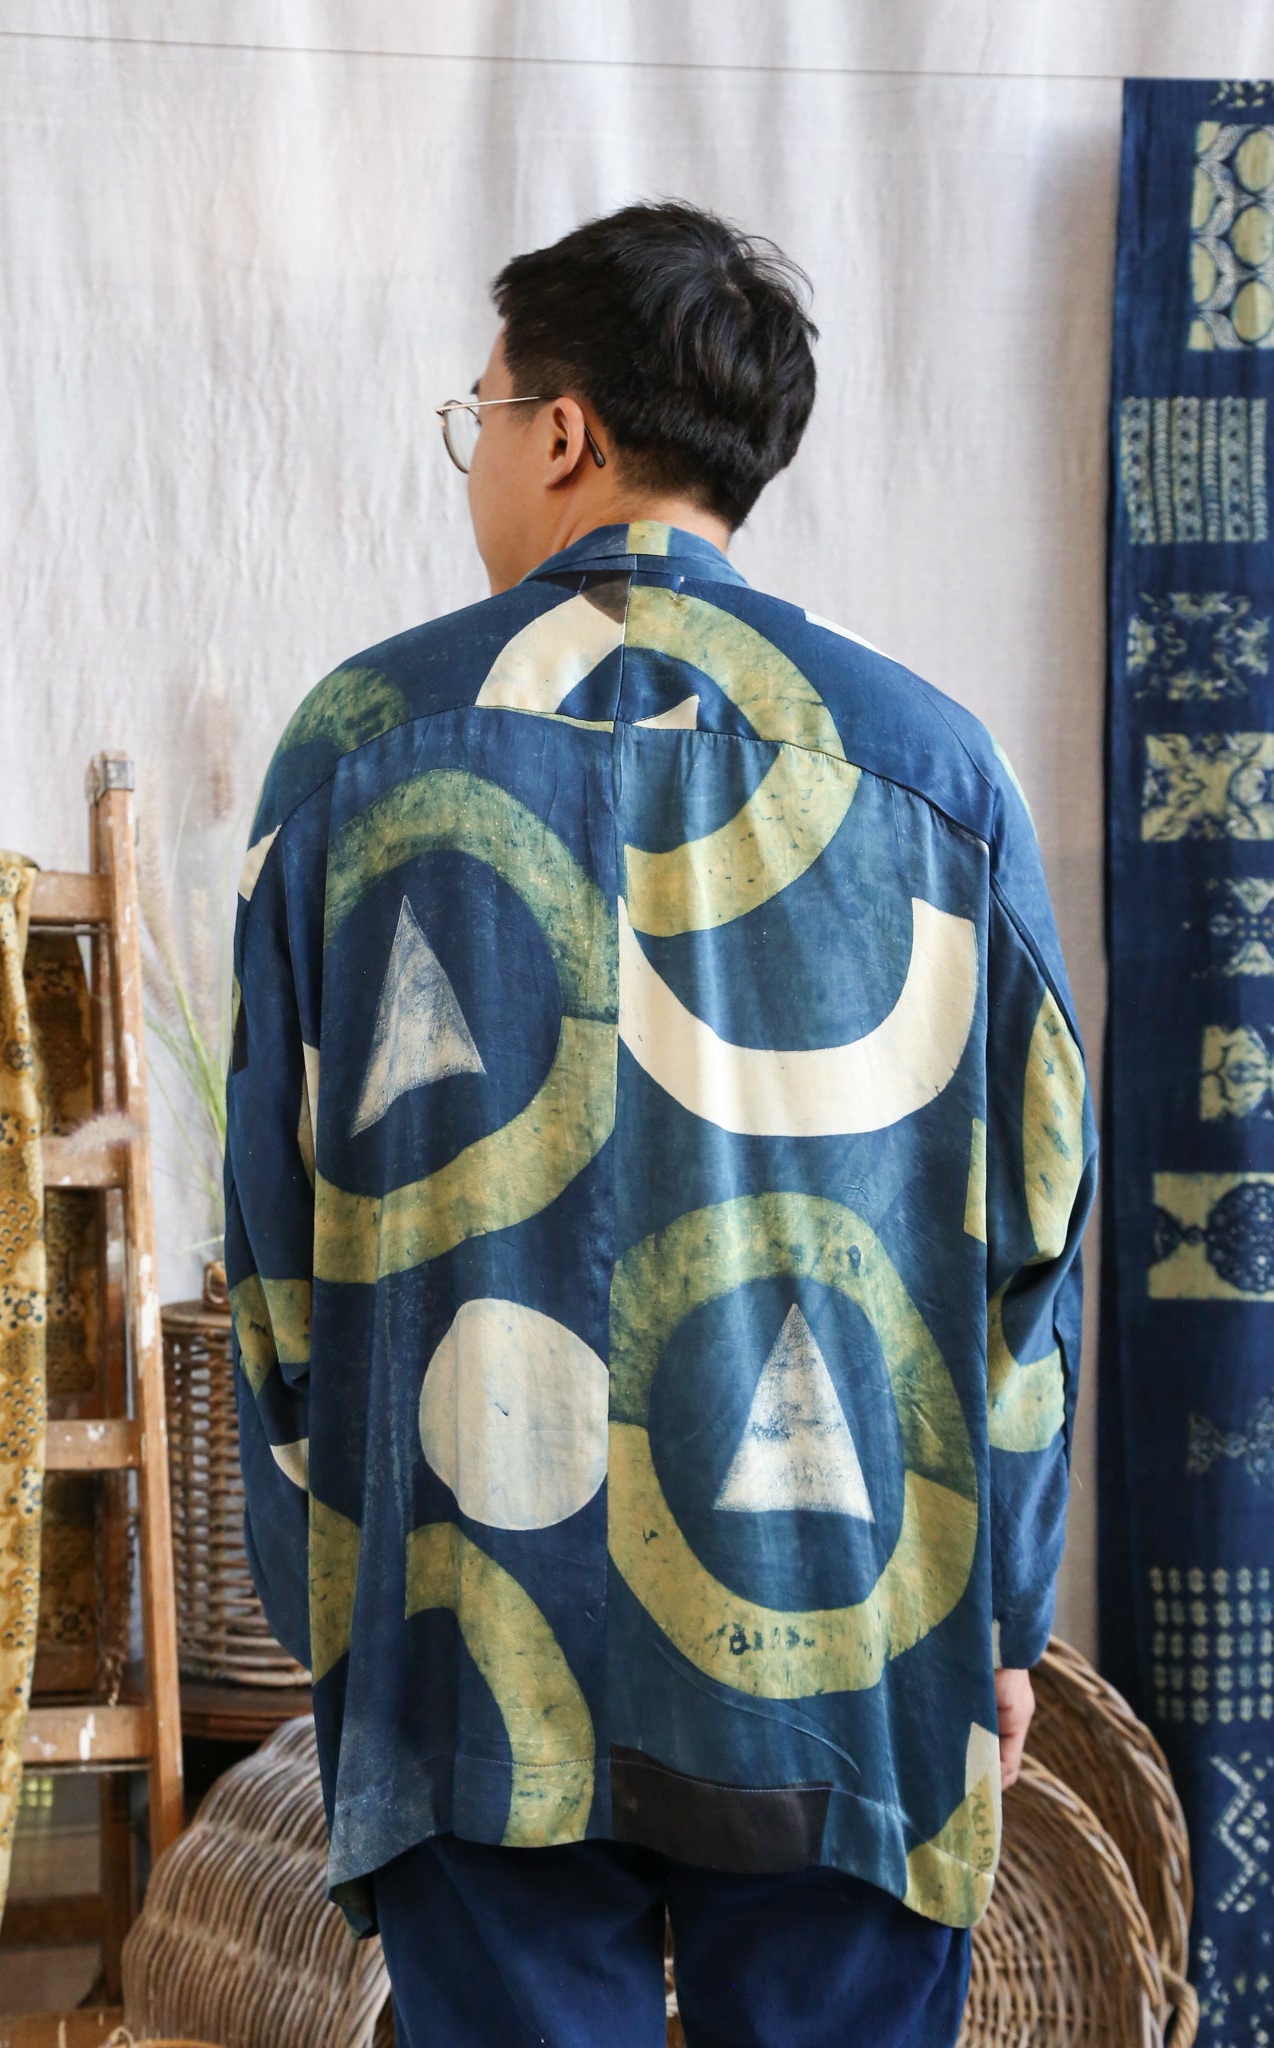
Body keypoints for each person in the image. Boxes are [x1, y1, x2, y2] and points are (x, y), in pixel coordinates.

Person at [225, 200, 1098, 2048]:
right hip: (844, 1633)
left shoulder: (354, 749)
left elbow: (273, 1241)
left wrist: (339, 1607)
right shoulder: (934, 770)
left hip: (470, 1630)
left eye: (478, 418)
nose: (478, 462)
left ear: (562, 431)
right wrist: (1000, 1617)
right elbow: (1033, 1242)